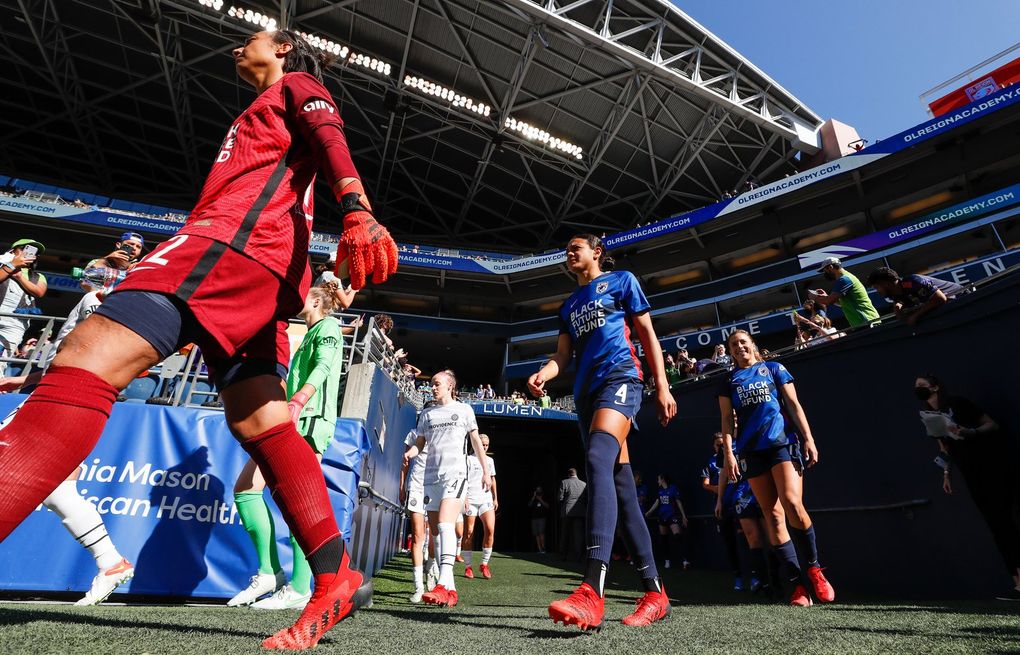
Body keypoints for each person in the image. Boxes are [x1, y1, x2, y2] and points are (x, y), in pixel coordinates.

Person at [0, 29, 397, 651]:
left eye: (253, 37)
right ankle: (334, 577)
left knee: (82, 359)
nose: (238, 45)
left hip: (226, 248)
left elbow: (330, 136)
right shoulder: (260, 108)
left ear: (286, 48)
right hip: (259, 270)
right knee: (261, 420)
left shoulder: (298, 84)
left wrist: (356, 205)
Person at [529, 233, 677, 630]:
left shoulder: (622, 280)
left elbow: (647, 333)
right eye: (566, 250)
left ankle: (592, 588)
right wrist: (545, 372)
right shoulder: (567, 306)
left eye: (575, 248)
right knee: (623, 489)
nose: (568, 253)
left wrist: (661, 385)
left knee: (596, 459)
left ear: (596, 253)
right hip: (585, 397)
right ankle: (655, 592)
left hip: (621, 377)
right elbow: (563, 356)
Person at [0, 264, 133, 605]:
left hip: (67, 396)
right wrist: (26, 381)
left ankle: (111, 562)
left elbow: (88, 354)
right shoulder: (110, 301)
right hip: (66, 391)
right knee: (58, 488)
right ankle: (111, 562)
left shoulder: (96, 298)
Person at [229, 283, 347, 610]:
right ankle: (269, 573)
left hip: (308, 422)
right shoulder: (311, 331)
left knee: (299, 501)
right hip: (289, 419)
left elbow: (324, 367)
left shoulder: (328, 327)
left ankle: (299, 586)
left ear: (315, 300)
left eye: (301, 295)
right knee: (245, 489)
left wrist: (298, 400)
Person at [718, 330, 835, 607]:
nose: (738, 347)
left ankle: (815, 570)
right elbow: (725, 420)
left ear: (753, 345)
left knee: (793, 504)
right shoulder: (727, 381)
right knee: (772, 515)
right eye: (734, 345)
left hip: (781, 443)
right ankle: (798, 586)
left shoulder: (773, 368)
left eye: (742, 342)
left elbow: (793, 405)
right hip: (750, 451)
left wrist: (808, 437)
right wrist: (729, 454)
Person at [915, 374, 1020, 600]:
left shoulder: (958, 404)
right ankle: (1017, 583)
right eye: (916, 387)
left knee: (1006, 521)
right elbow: (945, 449)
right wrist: (945, 473)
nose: (919, 389)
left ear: (935, 387)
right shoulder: (930, 417)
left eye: (922, 386)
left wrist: (970, 432)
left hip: (993, 466)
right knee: (997, 526)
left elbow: (991, 424)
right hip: (971, 474)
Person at [403, 370, 489, 608]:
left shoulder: (464, 410)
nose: (432, 387)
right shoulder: (427, 414)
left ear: (451, 386)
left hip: (456, 475)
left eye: (437, 384)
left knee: (444, 524)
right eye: (431, 384)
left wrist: (484, 471)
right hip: (431, 479)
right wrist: (411, 452)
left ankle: (442, 582)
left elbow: (474, 442)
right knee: (437, 534)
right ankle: (450, 589)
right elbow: (420, 443)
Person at [701, 433, 743, 590]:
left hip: (740, 501)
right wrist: (720, 489)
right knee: (730, 541)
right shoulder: (712, 462)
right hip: (723, 504)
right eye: (718, 445)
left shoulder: (736, 453)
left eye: (723, 444)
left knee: (747, 539)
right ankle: (737, 575)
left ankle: (755, 575)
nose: (721, 447)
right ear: (714, 446)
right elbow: (705, 483)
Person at [0, 239, 47, 374]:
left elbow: (40, 292)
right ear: (14, 250)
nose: (30, 253)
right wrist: (11, 265)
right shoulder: (2, 264)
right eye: (25, 248)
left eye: (34, 252)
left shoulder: (38, 276)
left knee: (2, 359)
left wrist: (20, 277)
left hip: (15, 324)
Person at [867, 267, 967, 327]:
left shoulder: (912, 281)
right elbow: (901, 315)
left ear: (885, 284)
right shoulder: (896, 295)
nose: (877, 291)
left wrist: (915, 316)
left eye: (877, 287)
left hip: (963, 298)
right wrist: (898, 309)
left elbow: (940, 298)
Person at [400, 427, 433, 603]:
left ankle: (432, 572)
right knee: (418, 535)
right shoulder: (413, 433)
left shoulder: (441, 431)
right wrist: (401, 487)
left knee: (435, 536)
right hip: (416, 487)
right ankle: (418, 586)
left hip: (436, 487)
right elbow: (404, 462)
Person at [461, 433, 498, 579]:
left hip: (486, 499)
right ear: (475, 444)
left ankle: (484, 564)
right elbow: (462, 479)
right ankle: (468, 566)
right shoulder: (468, 460)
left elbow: (493, 479)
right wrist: (464, 497)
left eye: (486, 445)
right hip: (471, 499)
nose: (484, 447)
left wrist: (495, 498)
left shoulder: (490, 460)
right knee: (469, 532)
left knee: (490, 529)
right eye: (482, 444)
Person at [808, 257, 879, 328]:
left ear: (830, 267)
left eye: (825, 271)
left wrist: (814, 297)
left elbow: (828, 301)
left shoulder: (844, 280)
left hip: (867, 321)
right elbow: (841, 303)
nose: (825, 274)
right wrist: (826, 296)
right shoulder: (846, 277)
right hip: (863, 322)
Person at [644, 474, 689, 570]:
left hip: (672, 515)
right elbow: (657, 502)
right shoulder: (660, 491)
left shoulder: (673, 488)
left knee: (678, 537)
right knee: (664, 539)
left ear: (663, 480)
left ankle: (685, 561)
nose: (658, 482)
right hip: (662, 516)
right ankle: (667, 561)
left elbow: (678, 502)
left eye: (658, 479)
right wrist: (649, 512)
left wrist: (684, 516)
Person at [557, 468, 587, 561]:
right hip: (580, 512)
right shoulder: (584, 484)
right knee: (578, 535)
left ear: (568, 475)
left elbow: (560, 498)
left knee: (565, 535)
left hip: (567, 512)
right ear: (576, 474)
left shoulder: (564, 482)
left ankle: (563, 556)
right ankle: (578, 557)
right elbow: (586, 498)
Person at [529, 487, 550, 553]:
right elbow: (529, 505)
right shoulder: (534, 499)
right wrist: (533, 497)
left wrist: (540, 499)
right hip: (534, 519)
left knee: (541, 533)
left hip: (542, 518)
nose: (538, 491)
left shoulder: (544, 497)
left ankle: (543, 548)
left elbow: (547, 506)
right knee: (536, 534)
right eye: (537, 489)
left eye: (539, 489)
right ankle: (539, 549)